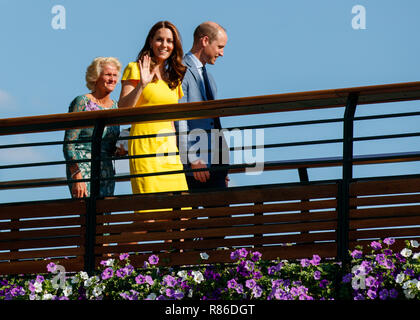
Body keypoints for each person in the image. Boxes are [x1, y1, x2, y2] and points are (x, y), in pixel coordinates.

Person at [118, 21, 188, 202]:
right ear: (150, 41)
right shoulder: (135, 68)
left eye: (169, 41)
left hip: (168, 148)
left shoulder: (174, 78)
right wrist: (142, 85)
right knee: (150, 210)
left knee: (181, 209)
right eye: (159, 39)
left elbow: (172, 119)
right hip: (144, 143)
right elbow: (123, 108)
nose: (164, 45)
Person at [175, 21, 230, 192]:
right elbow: (179, 119)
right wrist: (192, 158)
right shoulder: (181, 70)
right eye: (220, 47)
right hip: (196, 166)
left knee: (221, 215)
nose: (222, 53)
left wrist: (220, 165)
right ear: (205, 41)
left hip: (214, 165)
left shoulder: (210, 79)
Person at [63, 57, 122, 198]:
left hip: (106, 170)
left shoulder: (116, 106)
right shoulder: (82, 102)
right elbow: (69, 144)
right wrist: (76, 175)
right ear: (96, 77)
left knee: (104, 217)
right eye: (108, 75)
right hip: (82, 168)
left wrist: (120, 148)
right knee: (87, 215)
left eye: (115, 76)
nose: (112, 79)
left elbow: (110, 144)